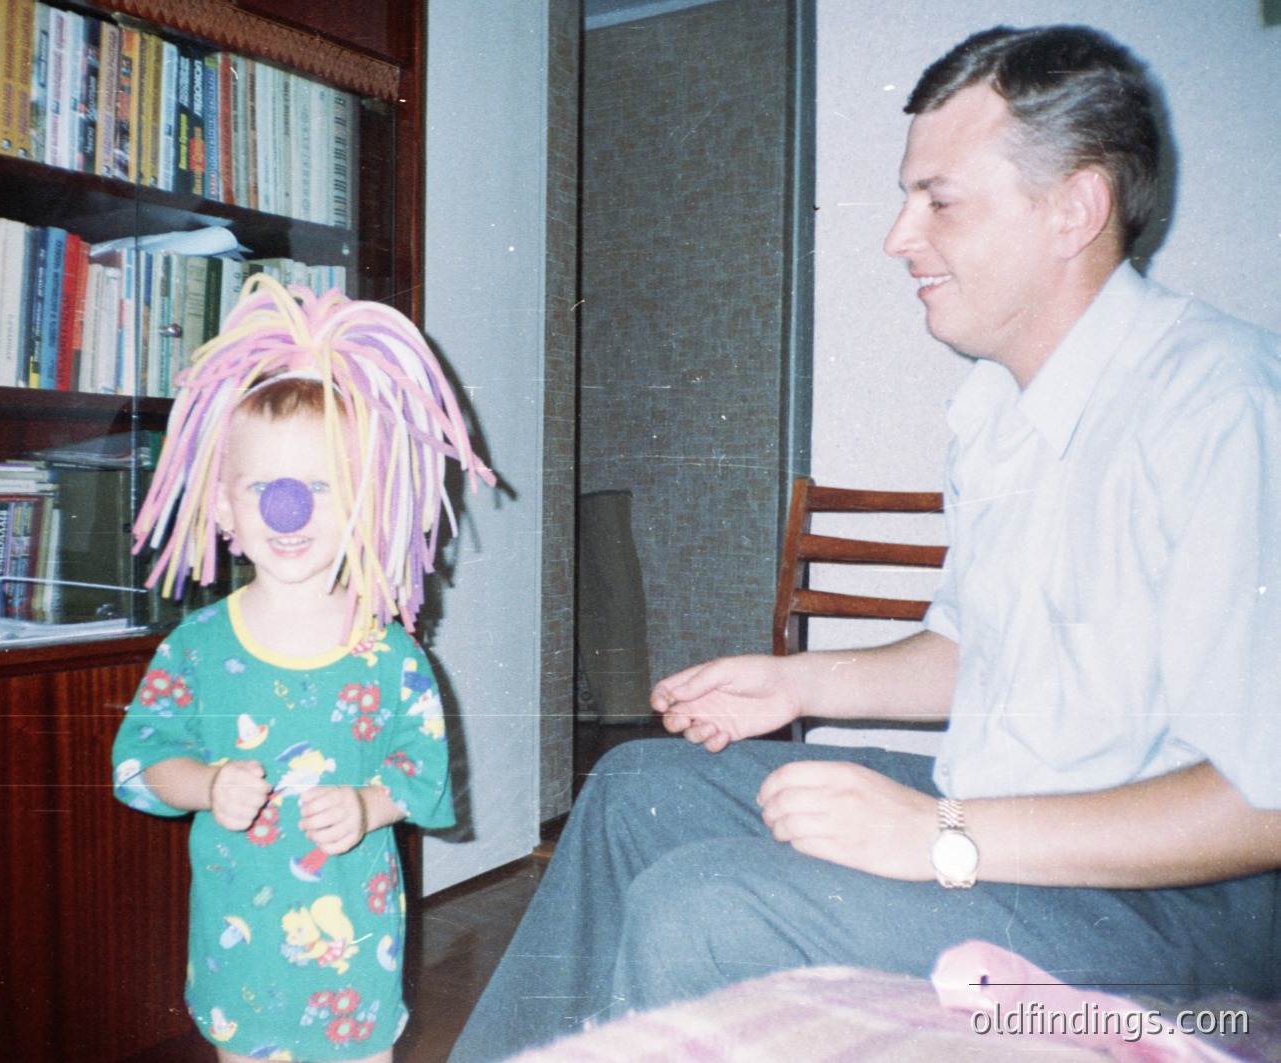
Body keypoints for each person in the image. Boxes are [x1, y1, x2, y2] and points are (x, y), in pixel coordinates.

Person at [449, 24, 1281, 1062]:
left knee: (701, 904)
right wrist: (795, 686)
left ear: (1074, 208)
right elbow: (967, 653)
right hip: (1013, 818)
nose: (897, 235)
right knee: (634, 786)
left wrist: (939, 836)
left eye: (938, 199)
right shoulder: (995, 408)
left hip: (1187, 910)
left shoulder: (1224, 407)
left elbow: (1262, 805)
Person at [112, 276, 494, 1063]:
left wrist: (366, 804)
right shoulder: (195, 647)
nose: (291, 511)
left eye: (320, 487)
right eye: (264, 487)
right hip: (236, 948)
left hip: (354, 947)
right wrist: (208, 785)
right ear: (223, 507)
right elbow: (140, 764)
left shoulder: (388, 653)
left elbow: (420, 774)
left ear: (366, 502)